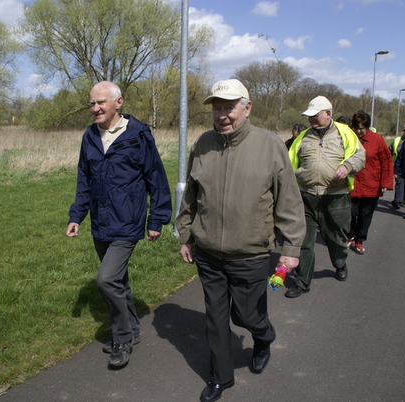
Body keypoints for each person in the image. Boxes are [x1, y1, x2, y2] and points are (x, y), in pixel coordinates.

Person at [176, 79, 306, 402]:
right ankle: (221, 377)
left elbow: (289, 201)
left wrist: (290, 250)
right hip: (208, 254)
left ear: (247, 108)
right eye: (216, 107)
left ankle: (263, 337)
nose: (222, 114)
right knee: (216, 319)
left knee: (245, 316)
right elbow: (190, 196)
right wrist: (186, 235)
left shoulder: (270, 145)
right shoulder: (203, 144)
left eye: (229, 106)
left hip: (251, 254)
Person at [66, 81, 172, 368]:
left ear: (118, 102)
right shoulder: (90, 136)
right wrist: (77, 216)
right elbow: (83, 180)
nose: (95, 108)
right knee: (119, 281)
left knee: (106, 279)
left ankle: (122, 337)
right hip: (100, 222)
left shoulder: (138, 135)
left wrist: (157, 219)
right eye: (92, 103)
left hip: (127, 221)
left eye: (101, 102)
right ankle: (133, 327)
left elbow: (156, 178)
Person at [286, 96, 365, 298]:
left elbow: (359, 155)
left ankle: (340, 263)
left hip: (336, 196)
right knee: (304, 240)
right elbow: (288, 163)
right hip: (306, 196)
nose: (311, 118)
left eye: (315, 115)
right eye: (309, 116)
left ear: (328, 113)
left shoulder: (344, 132)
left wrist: (347, 166)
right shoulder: (302, 137)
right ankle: (302, 282)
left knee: (335, 237)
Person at [347, 111, 394, 254]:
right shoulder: (349, 138)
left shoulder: (377, 140)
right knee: (349, 212)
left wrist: (385, 183)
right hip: (352, 184)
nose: (359, 131)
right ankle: (350, 235)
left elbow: (386, 162)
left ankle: (360, 240)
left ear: (367, 127)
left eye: (362, 128)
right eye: (356, 128)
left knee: (365, 214)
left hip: (371, 184)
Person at [389, 123, 405, 210]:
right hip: (398, 167)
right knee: (399, 183)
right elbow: (389, 151)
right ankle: (398, 201)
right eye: (404, 130)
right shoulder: (397, 140)